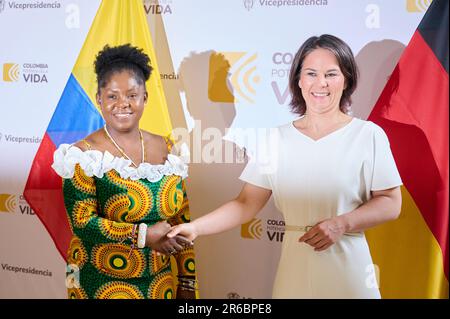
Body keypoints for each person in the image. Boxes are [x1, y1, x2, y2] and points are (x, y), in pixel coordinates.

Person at [168, 34, 403, 299]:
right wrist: (196, 228)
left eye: (331, 74)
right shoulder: (275, 139)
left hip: (350, 270)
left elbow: (391, 202)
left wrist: (341, 223)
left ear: (346, 79)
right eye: (311, 73)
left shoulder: (368, 135)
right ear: (298, 80)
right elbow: (246, 203)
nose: (321, 83)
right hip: (294, 272)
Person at [51, 44, 197, 299]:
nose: (123, 104)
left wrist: (187, 280)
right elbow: (82, 222)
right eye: (112, 96)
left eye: (132, 95)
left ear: (145, 98)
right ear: (99, 99)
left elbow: (180, 218)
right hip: (97, 281)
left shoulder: (169, 148)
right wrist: (143, 235)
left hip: (158, 281)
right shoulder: (82, 154)